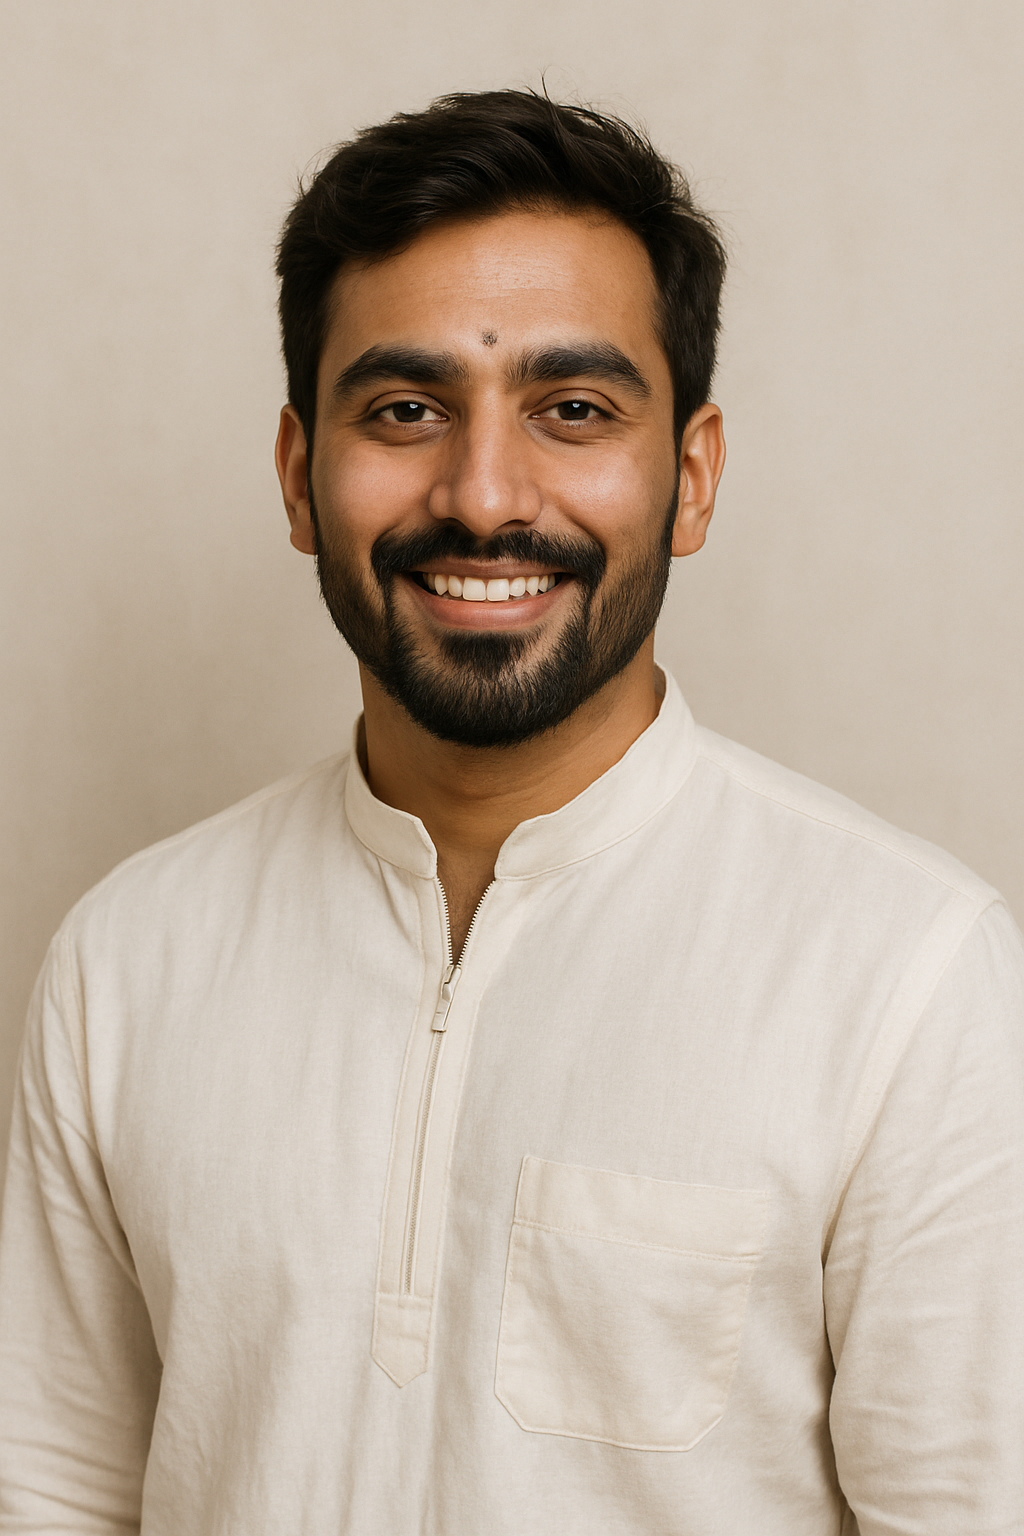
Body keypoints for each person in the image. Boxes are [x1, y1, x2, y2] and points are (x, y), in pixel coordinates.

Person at [0, 89, 1021, 1535]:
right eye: (405, 411)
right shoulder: (127, 963)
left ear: (692, 478)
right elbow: (50, 1494)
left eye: (573, 411)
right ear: (298, 476)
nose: (483, 495)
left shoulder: (905, 977)